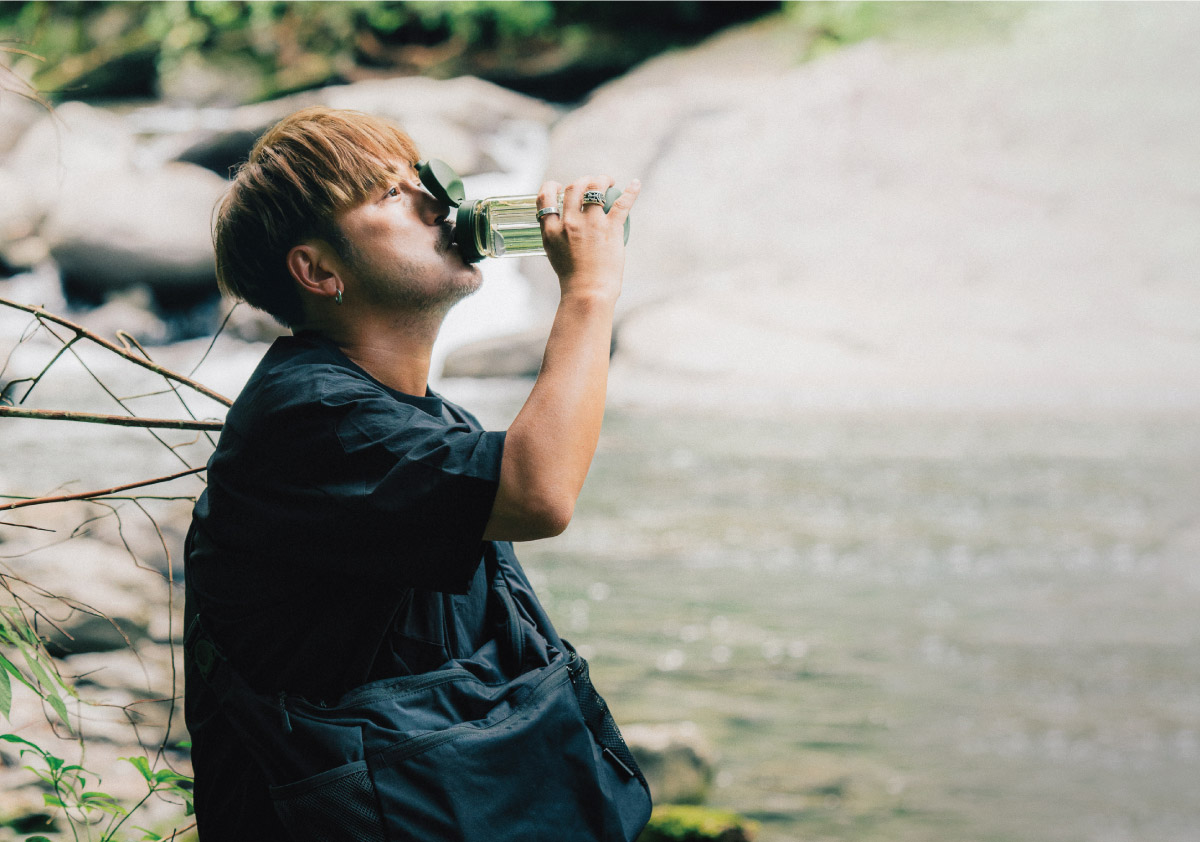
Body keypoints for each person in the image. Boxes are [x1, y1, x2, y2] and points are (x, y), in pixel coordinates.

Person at [183, 106, 641, 839]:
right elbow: (539, 493)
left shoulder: (417, 415)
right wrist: (589, 293)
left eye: (420, 177)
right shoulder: (311, 418)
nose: (438, 201)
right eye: (390, 193)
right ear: (318, 271)